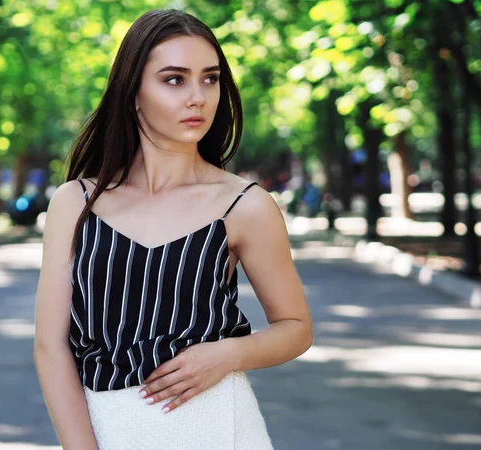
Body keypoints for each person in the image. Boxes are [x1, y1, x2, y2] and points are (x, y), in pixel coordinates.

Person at [34, 9, 312, 450]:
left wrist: (227, 353)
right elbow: (51, 349)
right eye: (175, 79)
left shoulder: (245, 205)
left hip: (221, 428)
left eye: (210, 78)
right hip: (108, 428)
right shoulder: (75, 203)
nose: (198, 97)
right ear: (132, 94)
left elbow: (296, 327)